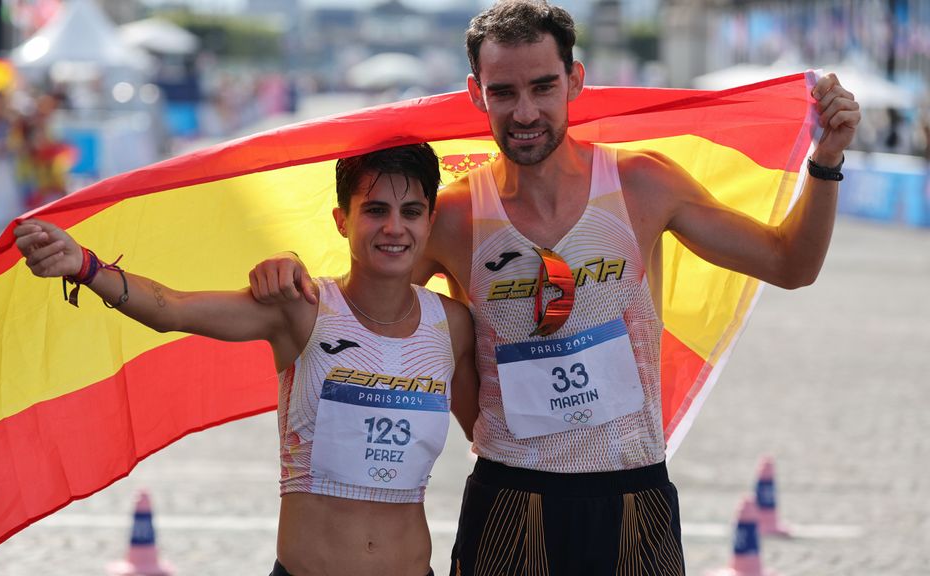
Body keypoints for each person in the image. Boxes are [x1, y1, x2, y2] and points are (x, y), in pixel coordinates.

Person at [248, 2, 861, 573]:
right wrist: (289, 269)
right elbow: (356, 305)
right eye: (504, 92)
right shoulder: (456, 217)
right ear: (475, 94)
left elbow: (790, 264)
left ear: (574, 81)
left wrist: (826, 162)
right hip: (511, 500)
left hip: (633, 495)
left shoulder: (642, 186)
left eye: (543, 86)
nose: (525, 112)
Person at [14, 143, 479, 576]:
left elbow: (492, 431)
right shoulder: (301, 308)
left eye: (411, 212)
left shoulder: (453, 325)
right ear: (342, 220)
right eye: (375, 211)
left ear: (430, 221)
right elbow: (171, 309)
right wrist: (87, 267)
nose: (394, 227)